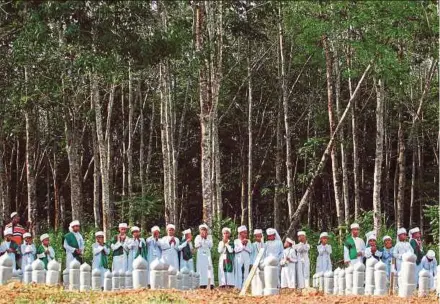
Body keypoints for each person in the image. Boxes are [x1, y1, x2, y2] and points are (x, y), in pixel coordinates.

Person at [195, 224, 214, 288]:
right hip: (200, 254)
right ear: (200, 231)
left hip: (207, 254)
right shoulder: (197, 237)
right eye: (202, 230)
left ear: (206, 231)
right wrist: (201, 238)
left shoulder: (209, 237)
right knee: (200, 268)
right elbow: (196, 245)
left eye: (204, 230)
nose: (203, 231)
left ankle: (210, 283)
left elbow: (210, 245)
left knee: (209, 267)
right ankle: (201, 283)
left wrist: (205, 238)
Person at [234, 225, 252, 289]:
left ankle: (245, 286)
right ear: (240, 233)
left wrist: (245, 245)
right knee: (238, 272)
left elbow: (250, 250)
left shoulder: (248, 241)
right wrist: (242, 244)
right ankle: (238, 286)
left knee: (246, 271)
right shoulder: (236, 241)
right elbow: (235, 250)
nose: (246, 234)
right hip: (238, 257)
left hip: (247, 257)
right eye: (244, 232)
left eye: (246, 233)